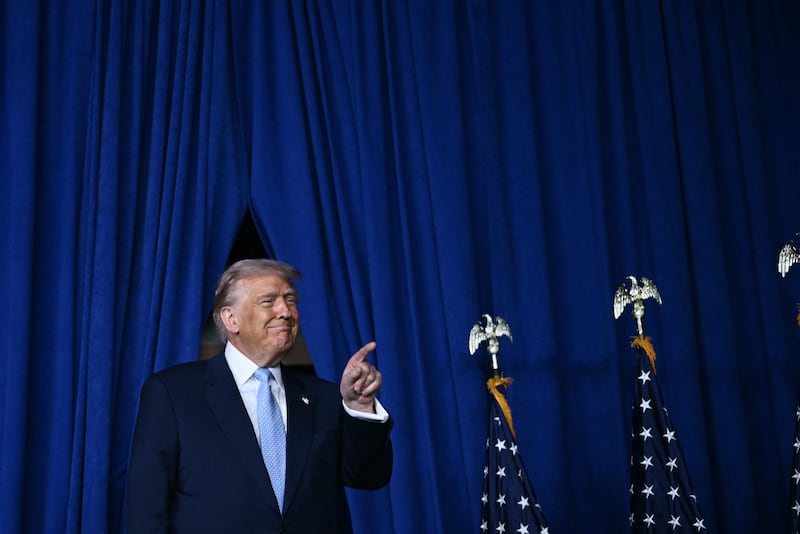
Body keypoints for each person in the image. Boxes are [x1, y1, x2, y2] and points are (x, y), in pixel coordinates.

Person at [126, 259, 393, 533]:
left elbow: (369, 476)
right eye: (269, 301)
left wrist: (360, 407)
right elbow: (145, 510)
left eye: (290, 300)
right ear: (231, 319)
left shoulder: (323, 397)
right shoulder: (173, 393)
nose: (285, 312)